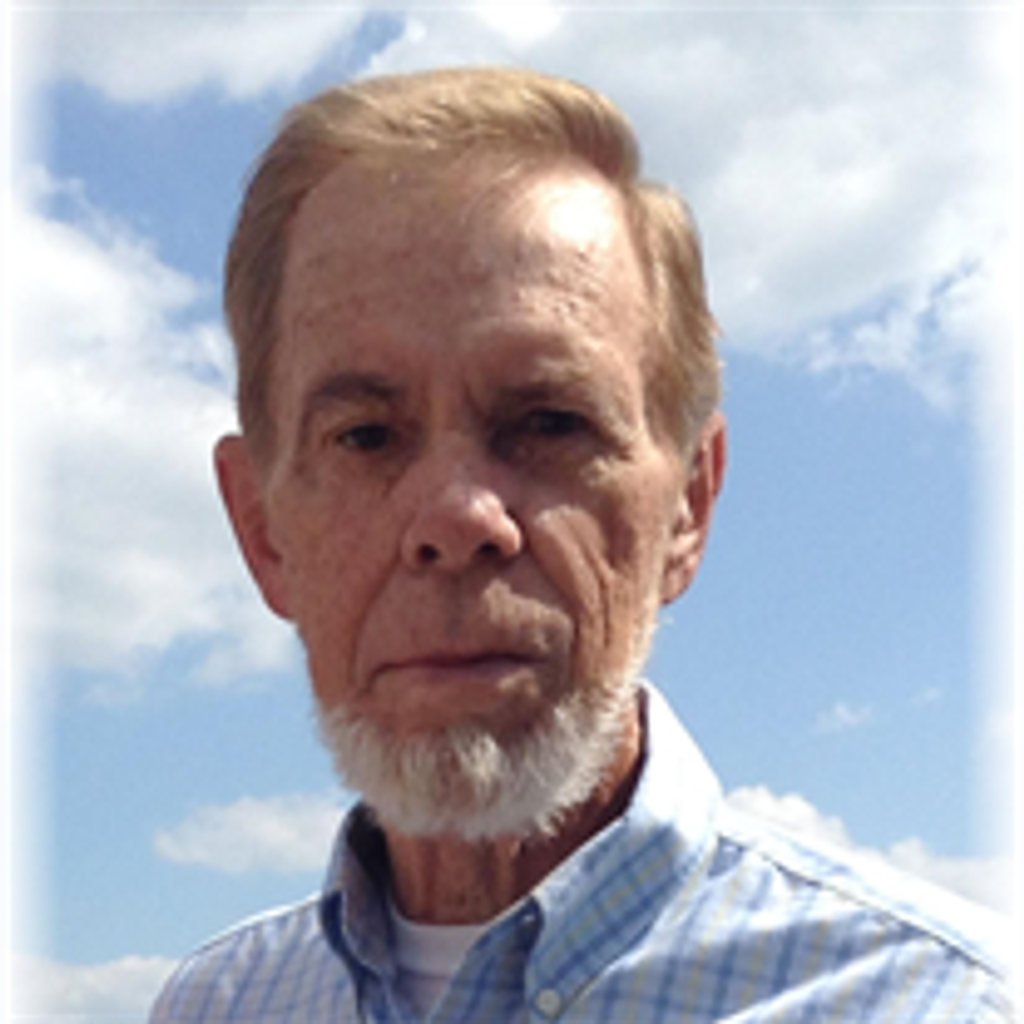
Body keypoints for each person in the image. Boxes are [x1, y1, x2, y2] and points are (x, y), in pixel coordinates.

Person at [151, 66, 1013, 1022]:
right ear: (262, 531)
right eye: (366, 436)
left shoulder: (949, 1003)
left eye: (550, 422)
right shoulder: (216, 1005)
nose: (457, 519)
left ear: (688, 504)